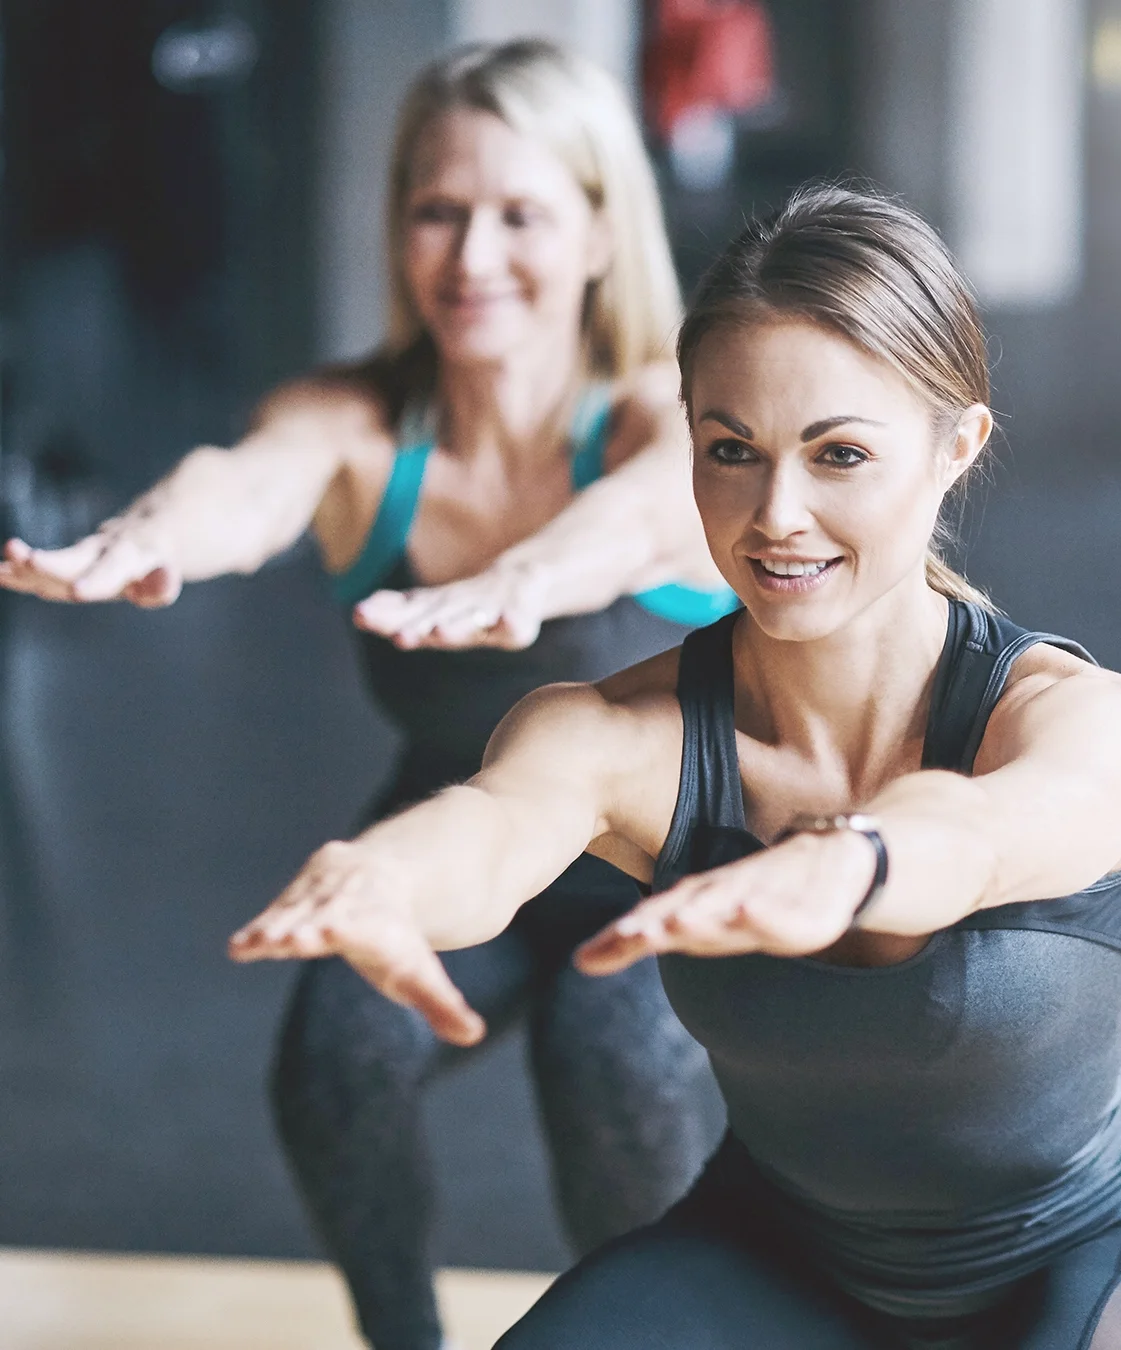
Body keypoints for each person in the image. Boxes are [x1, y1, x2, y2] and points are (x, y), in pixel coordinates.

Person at [228, 183, 1121, 1350]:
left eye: (840, 455)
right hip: (778, 1257)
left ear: (954, 448)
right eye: (733, 451)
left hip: (1092, 1249)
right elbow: (497, 822)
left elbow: (983, 836)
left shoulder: (1091, 721)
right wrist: (385, 878)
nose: (776, 514)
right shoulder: (628, 732)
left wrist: (853, 861)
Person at [2, 41, 733, 1350]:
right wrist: (154, 533)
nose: (471, 257)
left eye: (520, 215)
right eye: (437, 210)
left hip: (665, 850)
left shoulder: (652, 412)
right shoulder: (359, 422)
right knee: (337, 1061)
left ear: (599, 234)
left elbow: (644, 512)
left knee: (606, 1064)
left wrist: (529, 572)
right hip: (453, 824)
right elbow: (254, 475)